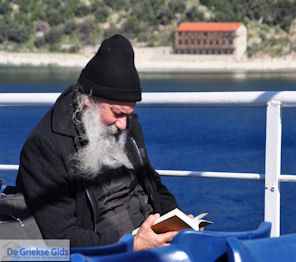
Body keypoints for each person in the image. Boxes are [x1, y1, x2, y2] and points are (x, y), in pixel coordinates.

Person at [16, 34, 179, 250]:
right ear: (87, 101)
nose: (123, 125)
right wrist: (133, 244)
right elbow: (61, 237)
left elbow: (153, 184)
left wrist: (176, 221)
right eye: (117, 113)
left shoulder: (128, 126)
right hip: (107, 252)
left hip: (151, 240)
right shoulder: (45, 147)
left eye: (128, 115)